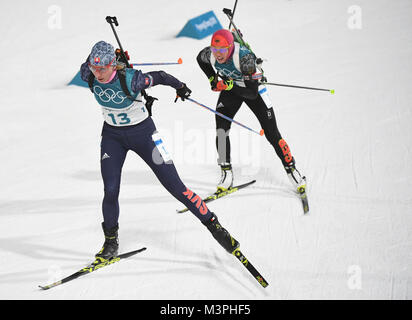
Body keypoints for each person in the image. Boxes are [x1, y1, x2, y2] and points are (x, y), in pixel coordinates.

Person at [80, 41, 240, 261]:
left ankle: (215, 227)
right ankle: (110, 242)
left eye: (102, 68)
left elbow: (162, 76)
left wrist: (181, 87)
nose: (97, 73)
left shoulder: (132, 79)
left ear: (113, 65)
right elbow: (90, 65)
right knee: (110, 189)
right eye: (94, 67)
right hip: (112, 138)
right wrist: (114, 58)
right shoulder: (87, 74)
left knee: (176, 187)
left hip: (145, 136)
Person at [196, 29, 306, 194]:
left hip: (252, 90)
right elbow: (200, 59)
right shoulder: (209, 54)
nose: (218, 55)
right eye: (215, 49)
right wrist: (213, 80)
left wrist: (229, 85)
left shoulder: (245, 59)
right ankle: (226, 173)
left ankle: (292, 170)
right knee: (221, 129)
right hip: (231, 88)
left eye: (222, 50)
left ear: (231, 47)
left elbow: (251, 93)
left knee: (272, 133)